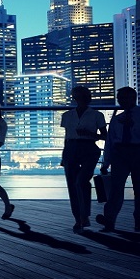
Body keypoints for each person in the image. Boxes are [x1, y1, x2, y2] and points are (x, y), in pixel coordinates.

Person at [96, 87, 140, 232]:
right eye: (120, 98)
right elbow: (110, 142)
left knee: (137, 188)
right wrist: (105, 162)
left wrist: (135, 126)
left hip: (139, 152)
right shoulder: (117, 119)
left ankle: (135, 220)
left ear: (133, 98)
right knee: (118, 188)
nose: (120, 101)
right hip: (124, 152)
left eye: (123, 98)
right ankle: (112, 220)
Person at [59, 86, 107, 234]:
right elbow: (67, 137)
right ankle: (79, 218)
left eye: (83, 96)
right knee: (73, 185)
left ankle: (84, 215)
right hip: (71, 148)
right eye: (78, 96)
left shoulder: (97, 115)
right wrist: (64, 155)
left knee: (80, 182)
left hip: (89, 148)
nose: (80, 99)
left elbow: (105, 136)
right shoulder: (67, 115)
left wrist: (89, 134)